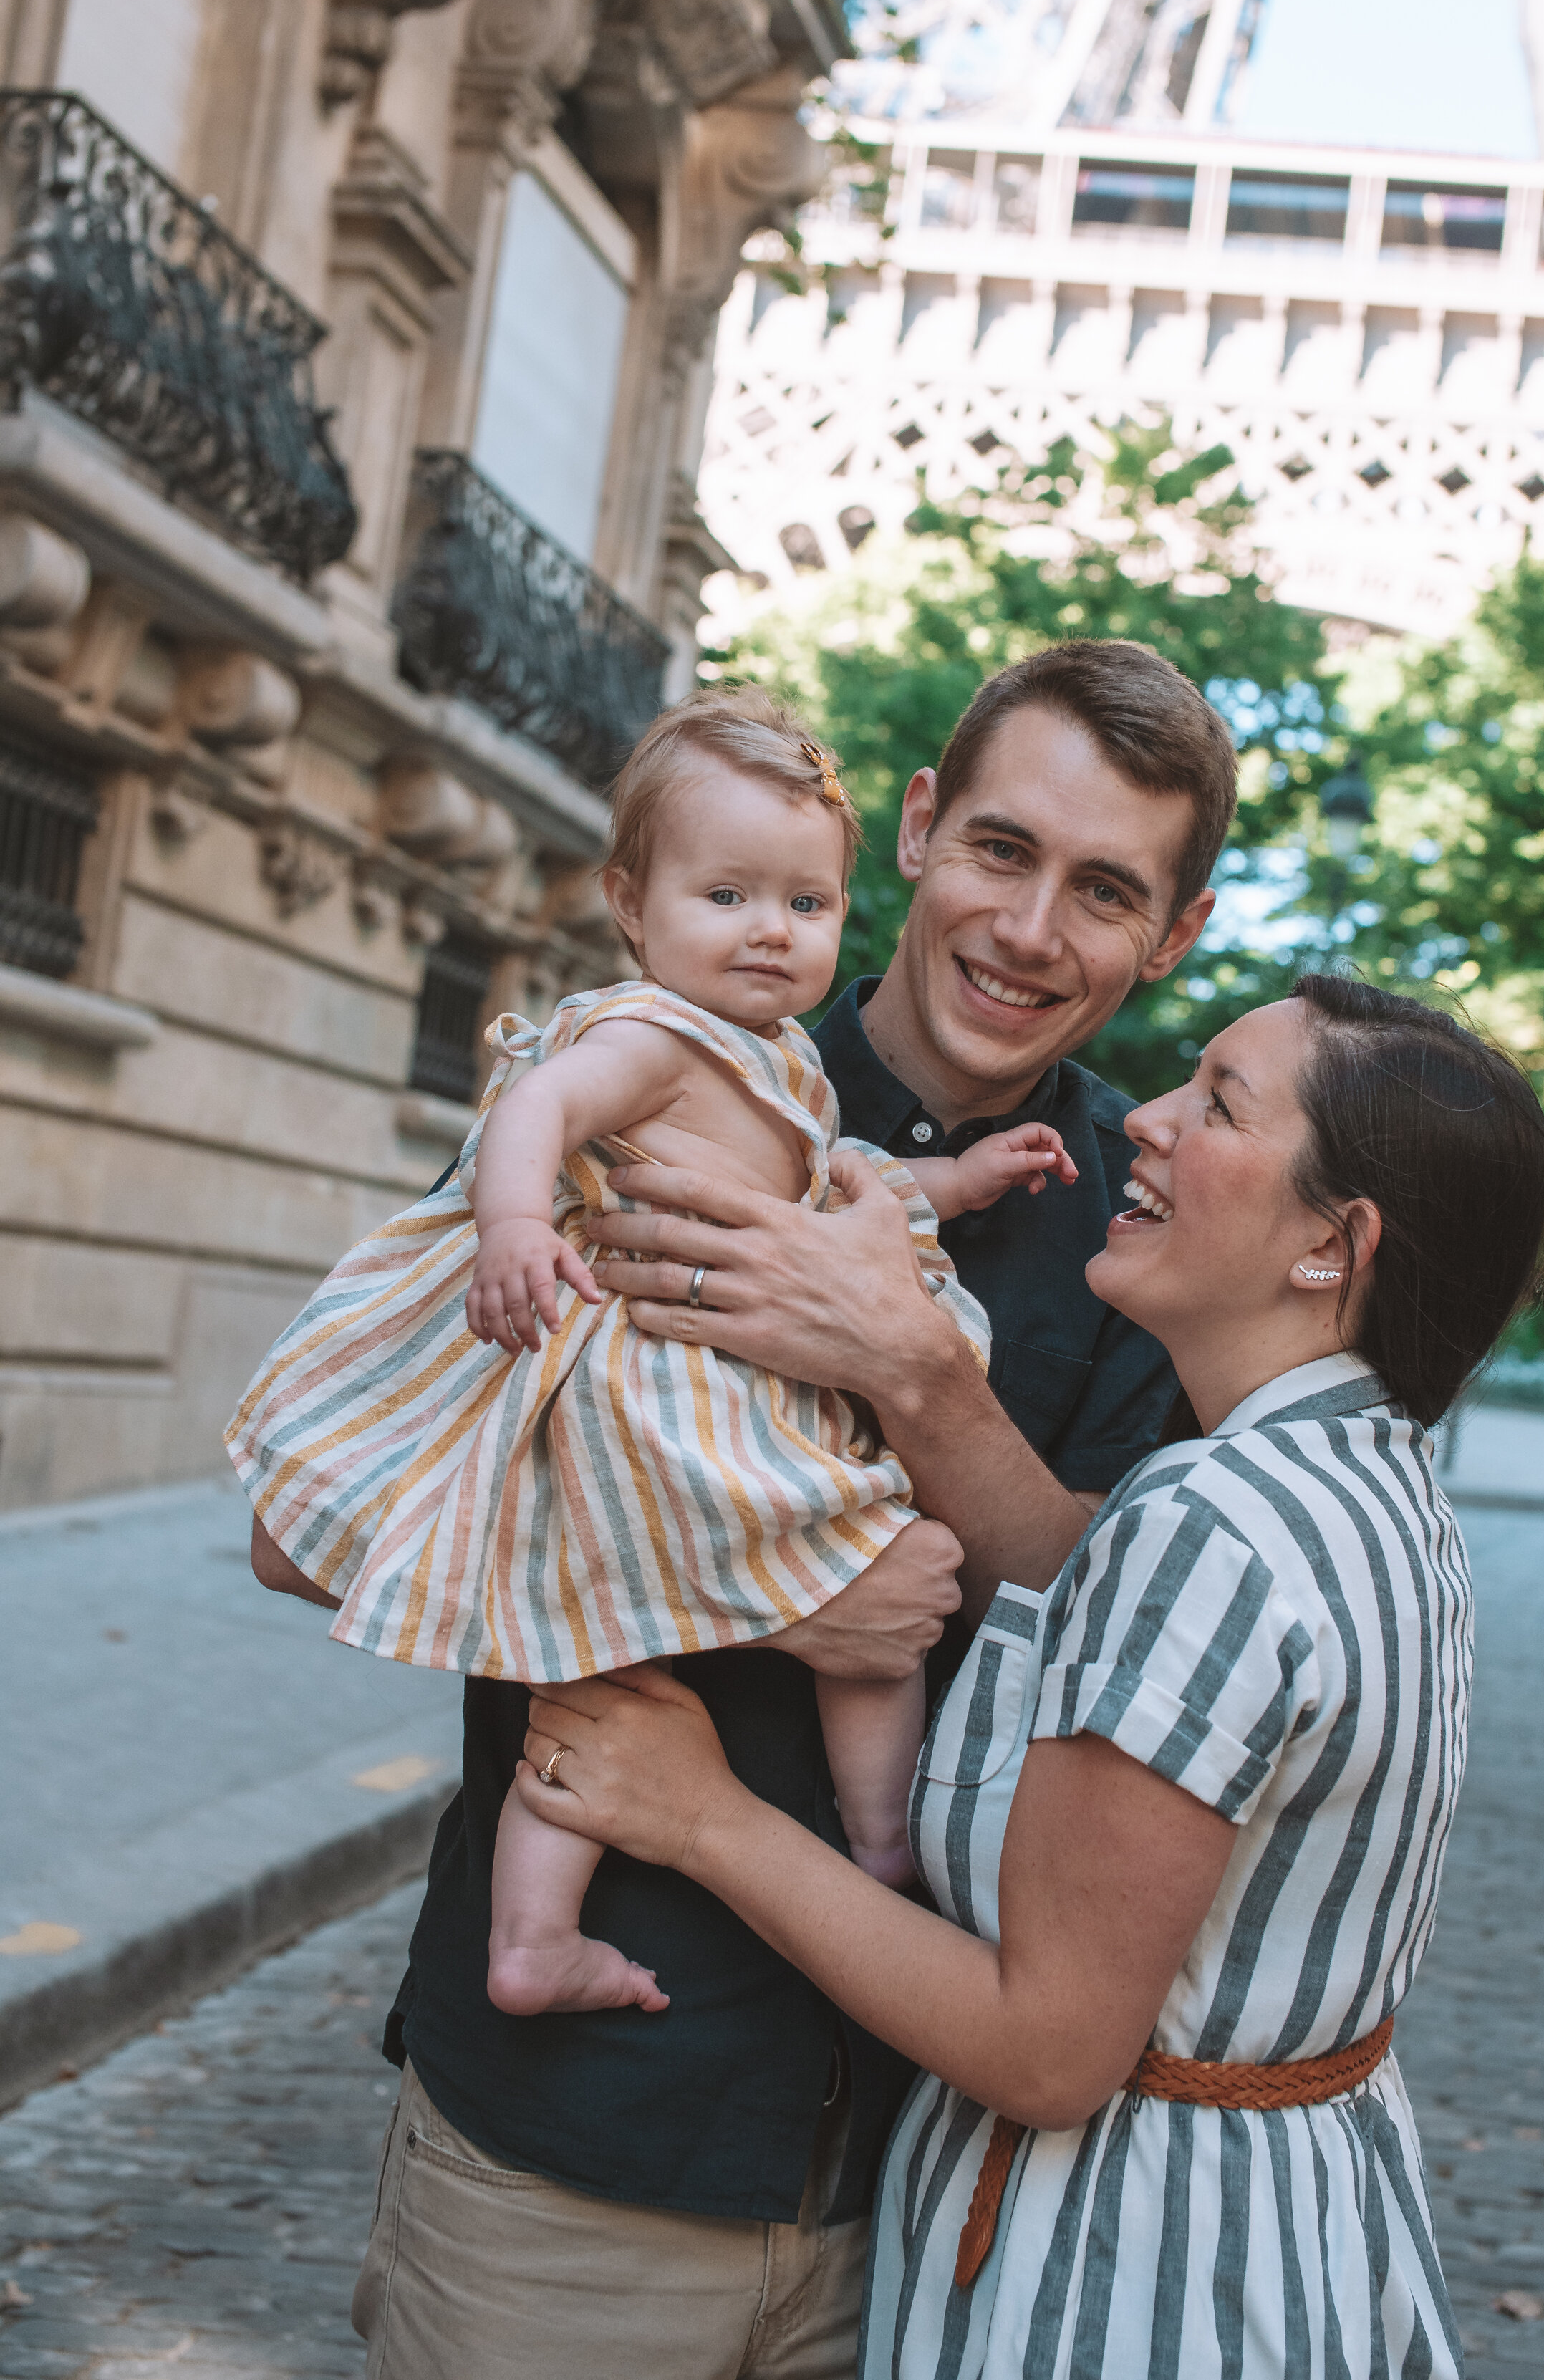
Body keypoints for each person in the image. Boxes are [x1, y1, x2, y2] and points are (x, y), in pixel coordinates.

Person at [260, 638, 1235, 2378]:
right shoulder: (659, 1075)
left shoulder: (1144, 1223)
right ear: (923, 827)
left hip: (938, 2199)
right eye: (1002, 849)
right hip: (574, 2160)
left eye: (1103, 891)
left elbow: (1146, 1633)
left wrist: (916, 1375)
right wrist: (773, 1599)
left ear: (1170, 933)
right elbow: (309, 1517)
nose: (1028, 929)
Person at [513, 976, 1544, 2380]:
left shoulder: (1210, 1521)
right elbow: (1095, 1584)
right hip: (1290, 2236)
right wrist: (909, 1369)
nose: (1148, 1119)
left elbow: (1046, 2051)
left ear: (1327, 1243)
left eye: (1216, 1102)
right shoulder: (1365, 1486)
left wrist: (701, 1812)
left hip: (1129, 2282)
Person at [230, 688, 1061, 2011]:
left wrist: (956, 1185)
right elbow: (540, 1107)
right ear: (630, 901)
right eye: (726, 895)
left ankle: (681, 1898)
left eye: (804, 903)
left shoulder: (780, 1059)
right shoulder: (647, 1031)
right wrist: (512, 1223)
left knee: (661, 1670)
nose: (771, 932)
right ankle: (847, 1851)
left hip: (715, 1414)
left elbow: (839, 1184)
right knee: (813, 1613)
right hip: (655, 1402)